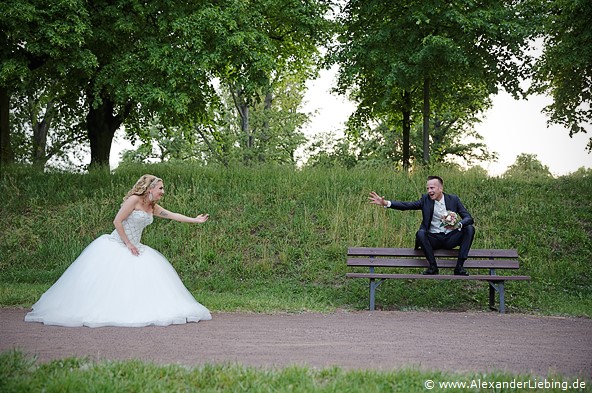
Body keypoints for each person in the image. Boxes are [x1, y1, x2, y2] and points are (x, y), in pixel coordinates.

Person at [25, 174, 212, 327]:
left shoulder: (152, 206)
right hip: (117, 245)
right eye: (161, 188)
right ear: (149, 189)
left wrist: (194, 220)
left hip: (136, 247)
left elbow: (172, 215)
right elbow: (117, 221)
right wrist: (128, 244)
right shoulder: (134, 200)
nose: (163, 191)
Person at [369, 175, 475, 276]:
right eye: (427, 188)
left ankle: (459, 267)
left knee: (469, 229)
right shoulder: (425, 199)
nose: (429, 191)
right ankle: (433, 267)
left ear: (440, 188)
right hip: (433, 239)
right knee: (420, 233)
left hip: (450, 238)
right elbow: (407, 205)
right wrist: (386, 203)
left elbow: (469, 218)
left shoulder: (453, 199)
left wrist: (457, 225)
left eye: (432, 188)